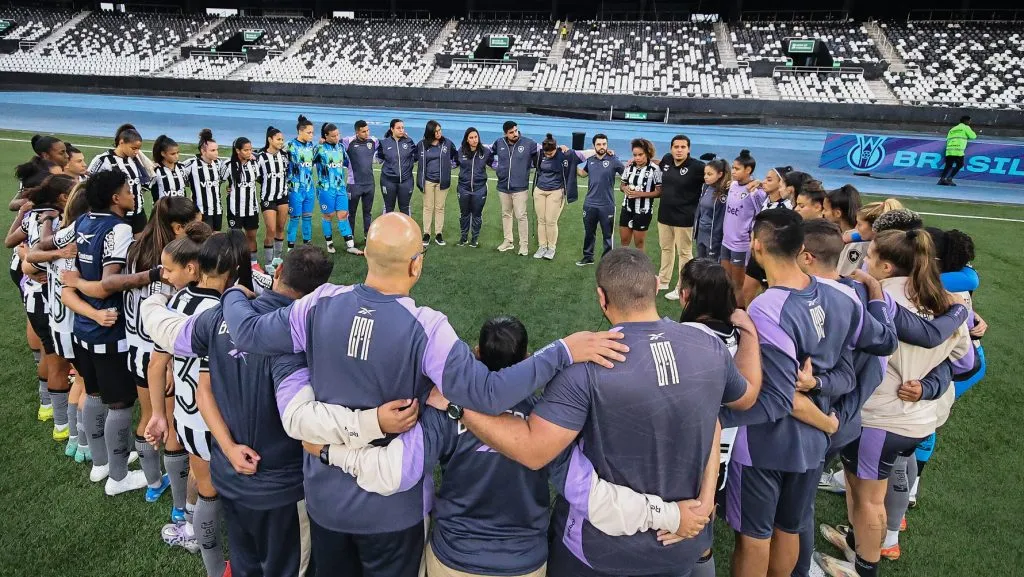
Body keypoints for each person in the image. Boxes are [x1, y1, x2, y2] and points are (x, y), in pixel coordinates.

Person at [220, 212, 628, 577]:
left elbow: (248, 333)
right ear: (416, 264)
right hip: (394, 510)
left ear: (366, 257)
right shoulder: (427, 327)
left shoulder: (320, 303)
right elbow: (487, 393)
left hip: (326, 501)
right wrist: (562, 351)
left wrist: (234, 293)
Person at [445, 248, 759, 577]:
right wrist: (748, 329)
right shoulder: (708, 346)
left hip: (596, 553)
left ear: (601, 297)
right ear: (655, 285)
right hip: (678, 548)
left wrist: (460, 405)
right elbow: (735, 403)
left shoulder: (586, 368)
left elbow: (534, 450)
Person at [305, 314, 692, 577]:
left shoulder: (444, 409)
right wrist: (670, 515)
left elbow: (392, 472)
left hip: (453, 560)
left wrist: (327, 451)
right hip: (523, 564)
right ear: (527, 357)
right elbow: (588, 495)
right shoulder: (547, 422)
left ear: (475, 354)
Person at [143, 245, 338, 577]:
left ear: (277, 273)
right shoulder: (309, 336)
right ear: (318, 294)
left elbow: (170, 334)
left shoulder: (222, 316)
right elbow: (306, 419)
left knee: (246, 565)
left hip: (231, 477)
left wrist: (154, 299)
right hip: (283, 490)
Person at [789, 219, 967, 577]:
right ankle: (858, 545)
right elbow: (964, 362)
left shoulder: (874, 298)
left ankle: (864, 568)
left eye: (869, 256)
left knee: (868, 498)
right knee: (865, 492)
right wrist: (929, 384)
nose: (863, 262)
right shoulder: (946, 301)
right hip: (918, 419)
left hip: (879, 418)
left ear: (886, 266)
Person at [720, 209, 863, 577]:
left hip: (766, 443)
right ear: (802, 248)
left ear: (756, 245)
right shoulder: (836, 296)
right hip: (810, 445)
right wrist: (823, 398)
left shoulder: (768, 307)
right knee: (789, 527)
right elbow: (856, 365)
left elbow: (779, 397)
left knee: (754, 536)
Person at [62, 196, 203, 509]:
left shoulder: (136, 247)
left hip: (135, 350)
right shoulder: (172, 266)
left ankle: (153, 484)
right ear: (179, 227)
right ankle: (181, 505)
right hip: (161, 356)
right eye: (195, 223)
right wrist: (167, 367)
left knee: (150, 419)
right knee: (171, 429)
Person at [60, 171, 150, 495]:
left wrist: (77, 283)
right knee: (121, 404)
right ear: (116, 198)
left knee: (95, 393)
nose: (132, 194)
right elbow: (107, 284)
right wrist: (149, 274)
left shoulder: (83, 221)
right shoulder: (118, 228)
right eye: (128, 189)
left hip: (83, 328)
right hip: (109, 329)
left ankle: (100, 464)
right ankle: (119, 476)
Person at [738, 166, 797, 307]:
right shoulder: (766, 200)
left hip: (771, 256)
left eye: (769, 179)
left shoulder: (787, 208)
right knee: (745, 292)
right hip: (757, 254)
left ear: (781, 184)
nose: (764, 182)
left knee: (771, 294)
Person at [656, 135, 705, 299]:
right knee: (666, 248)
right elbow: (659, 166)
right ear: (671, 148)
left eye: (683, 147)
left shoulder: (697, 166)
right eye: (676, 147)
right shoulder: (667, 160)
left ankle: (682, 286)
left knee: (684, 253)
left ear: (689, 149)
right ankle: (663, 281)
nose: (679, 150)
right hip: (664, 214)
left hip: (684, 218)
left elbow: (717, 174)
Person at [88, 127, 149, 233]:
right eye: (133, 148)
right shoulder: (103, 160)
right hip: (117, 215)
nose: (136, 152)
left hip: (138, 213)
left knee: (141, 247)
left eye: (138, 149)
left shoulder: (135, 159)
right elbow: (88, 182)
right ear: (121, 142)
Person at [531, 133, 583, 260]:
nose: (548, 155)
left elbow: (583, 154)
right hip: (539, 191)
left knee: (551, 220)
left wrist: (605, 151)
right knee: (541, 220)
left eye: (551, 153)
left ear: (556, 148)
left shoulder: (564, 154)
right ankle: (542, 246)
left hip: (556, 191)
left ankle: (551, 248)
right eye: (546, 153)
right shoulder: (540, 154)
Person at [719, 149, 763, 300]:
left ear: (748, 170)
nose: (733, 172)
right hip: (726, 241)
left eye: (737, 169)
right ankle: (726, 310)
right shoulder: (732, 185)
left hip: (741, 244)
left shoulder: (755, 191)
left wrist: (760, 184)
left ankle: (739, 313)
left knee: (738, 284)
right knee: (726, 280)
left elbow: (762, 213)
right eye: (733, 168)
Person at [492, 121, 539, 256]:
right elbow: (487, 154)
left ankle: (524, 245)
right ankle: (508, 241)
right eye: (511, 132)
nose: (515, 134)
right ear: (505, 133)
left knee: (521, 216)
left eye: (516, 131)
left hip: (520, 187)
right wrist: (498, 169)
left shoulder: (529, 143)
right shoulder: (499, 143)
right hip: (503, 186)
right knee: (506, 214)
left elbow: (542, 155)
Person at [576, 133, 624, 266]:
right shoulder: (590, 160)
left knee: (608, 235)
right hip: (590, 204)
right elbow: (583, 174)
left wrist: (626, 186)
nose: (602, 147)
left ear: (607, 145)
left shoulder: (614, 159)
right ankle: (588, 257)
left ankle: (607, 261)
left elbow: (625, 174)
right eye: (599, 144)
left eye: (604, 144)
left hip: (607, 205)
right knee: (589, 233)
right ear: (594, 146)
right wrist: (570, 164)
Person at [315, 123, 362, 255]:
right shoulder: (319, 149)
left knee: (343, 215)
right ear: (326, 136)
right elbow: (306, 163)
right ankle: (329, 243)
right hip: (325, 188)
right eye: (333, 136)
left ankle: (350, 245)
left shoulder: (341, 148)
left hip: (340, 188)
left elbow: (346, 163)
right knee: (328, 215)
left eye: (338, 135)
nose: (336, 138)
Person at [416, 119, 458, 246]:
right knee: (428, 208)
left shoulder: (447, 143)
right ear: (430, 132)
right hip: (428, 181)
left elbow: (456, 156)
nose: (439, 133)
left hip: (442, 182)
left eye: (440, 130)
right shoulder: (422, 145)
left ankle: (439, 234)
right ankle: (427, 234)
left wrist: (450, 167)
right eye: (436, 131)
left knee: (440, 208)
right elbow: (414, 157)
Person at [222, 136, 262, 265]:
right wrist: (228, 188)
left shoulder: (254, 163)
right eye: (246, 150)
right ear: (237, 150)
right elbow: (217, 180)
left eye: (250, 149)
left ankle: (253, 264)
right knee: (236, 239)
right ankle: (236, 264)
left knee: (251, 237)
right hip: (235, 208)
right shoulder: (228, 165)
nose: (249, 152)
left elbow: (259, 178)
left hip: (252, 208)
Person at [618, 138, 662, 251]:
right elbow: (622, 186)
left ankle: (640, 267)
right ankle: (623, 266)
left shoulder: (655, 169)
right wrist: (625, 189)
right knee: (624, 242)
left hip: (643, 211)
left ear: (647, 153)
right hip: (626, 208)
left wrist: (640, 194)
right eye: (635, 155)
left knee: (639, 244)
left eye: (640, 154)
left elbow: (659, 192)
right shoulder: (629, 167)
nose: (637, 158)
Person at [257, 126, 289, 268]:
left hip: (282, 196)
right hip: (267, 198)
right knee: (270, 229)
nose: (281, 142)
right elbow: (256, 176)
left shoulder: (285, 156)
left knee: (280, 227)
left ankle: (277, 258)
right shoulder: (261, 157)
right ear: (270, 139)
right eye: (278, 139)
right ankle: (268, 263)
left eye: (282, 139)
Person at [454, 127, 493, 247]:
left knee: (477, 214)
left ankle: (474, 239)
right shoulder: (461, 151)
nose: (474, 140)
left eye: (476, 137)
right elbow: (453, 163)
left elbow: (495, 165)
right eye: (471, 138)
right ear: (467, 139)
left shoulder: (485, 152)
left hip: (479, 189)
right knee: (464, 214)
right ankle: (464, 237)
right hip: (463, 188)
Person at [183, 128, 225, 231]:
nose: (216, 153)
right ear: (203, 151)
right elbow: (177, 173)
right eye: (213, 150)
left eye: (217, 149)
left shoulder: (218, 163)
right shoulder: (192, 163)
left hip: (217, 209)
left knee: (215, 238)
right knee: (202, 239)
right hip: (201, 211)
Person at [343, 120, 378, 241]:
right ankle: (350, 237)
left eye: (368, 130)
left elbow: (386, 145)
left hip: (369, 184)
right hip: (354, 184)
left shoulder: (373, 141)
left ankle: (367, 236)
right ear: (357, 132)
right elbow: (334, 143)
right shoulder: (348, 141)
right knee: (351, 213)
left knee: (367, 212)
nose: (366, 133)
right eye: (363, 131)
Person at [286, 115, 317, 248]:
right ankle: (290, 247)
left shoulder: (311, 146)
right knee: (294, 219)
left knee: (307, 218)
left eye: (312, 133)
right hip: (295, 189)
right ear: (300, 131)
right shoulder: (289, 146)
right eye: (309, 132)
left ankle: (307, 244)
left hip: (309, 188)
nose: (311, 135)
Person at [376, 118, 417, 217]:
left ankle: (407, 231)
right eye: (398, 128)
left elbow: (415, 157)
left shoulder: (409, 142)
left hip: (406, 181)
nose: (401, 130)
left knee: (405, 208)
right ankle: (387, 230)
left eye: (402, 128)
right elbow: (379, 159)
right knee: (389, 208)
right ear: (392, 129)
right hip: (388, 181)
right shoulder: (384, 143)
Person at [693, 158, 730, 263]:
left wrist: (716, 238)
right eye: (705, 174)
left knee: (711, 267)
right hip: (701, 233)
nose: (705, 177)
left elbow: (721, 218)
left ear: (720, 174)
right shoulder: (705, 187)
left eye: (709, 174)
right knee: (700, 264)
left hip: (713, 236)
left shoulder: (725, 192)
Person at [823, 185, 865, 275]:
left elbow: (845, 278)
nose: (823, 213)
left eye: (825, 209)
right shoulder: (844, 235)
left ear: (837, 213)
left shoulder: (855, 244)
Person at [938, 115, 976, 186]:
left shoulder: (952, 129)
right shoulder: (965, 127)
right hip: (958, 150)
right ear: (966, 121)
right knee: (960, 164)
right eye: (969, 121)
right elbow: (973, 136)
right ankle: (950, 178)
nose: (970, 122)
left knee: (948, 165)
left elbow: (948, 139)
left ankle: (942, 179)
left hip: (950, 149)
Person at [148, 135, 187, 200]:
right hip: (162, 209)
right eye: (173, 154)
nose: (176, 156)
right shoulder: (156, 170)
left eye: (177, 153)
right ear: (163, 153)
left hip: (181, 209)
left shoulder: (181, 167)